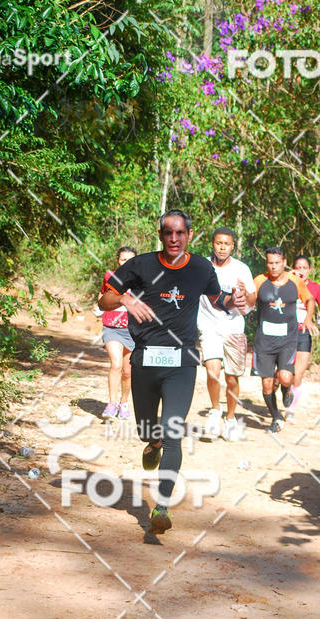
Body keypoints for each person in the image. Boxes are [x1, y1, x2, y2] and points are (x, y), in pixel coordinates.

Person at [98, 209, 245, 533]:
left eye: (180, 233)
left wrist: (233, 301)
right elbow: (104, 300)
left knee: (173, 431)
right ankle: (152, 444)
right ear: (161, 235)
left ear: (189, 235)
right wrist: (125, 300)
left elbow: (217, 299)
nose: (174, 239)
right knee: (148, 430)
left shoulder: (201, 267)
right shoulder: (141, 265)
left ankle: (161, 506)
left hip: (182, 361)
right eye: (168, 233)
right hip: (145, 359)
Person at [247, 247, 316, 433]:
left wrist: (308, 320)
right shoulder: (259, 281)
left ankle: (287, 390)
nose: (273, 267)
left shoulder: (295, 281)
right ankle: (276, 417)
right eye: (270, 263)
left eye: (277, 263)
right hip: (264, 341)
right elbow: (250, 303)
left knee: (285, 377)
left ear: (284, 262)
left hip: (288, 340)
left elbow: (310, 300)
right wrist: (244, 294)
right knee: (267, 383)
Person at [197, 227, 256, 441]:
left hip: (234, 328)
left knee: (232, 377)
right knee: (212, 370)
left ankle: (230, 418)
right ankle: (215, 411)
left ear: (233, 246)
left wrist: (245, 293)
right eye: (218, 243)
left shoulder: (241, 269)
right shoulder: (202, 266)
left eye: (227, 244)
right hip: (208, 325)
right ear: (212, 244)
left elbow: (252, 301)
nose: (222, 247)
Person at [96, 246, 137, 420]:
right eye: (123, 259)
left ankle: (124, 403)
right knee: (116, 365)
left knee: (127, 371)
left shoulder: (141, 280)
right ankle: (112, 404)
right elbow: (102, 295)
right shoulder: (110, 277)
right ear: (117, 261)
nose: (126, 263)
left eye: (130, 260)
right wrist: (99, 308)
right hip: (111, 327)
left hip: (132, 329)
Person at [289, 254, 320, 418]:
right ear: (293, 269)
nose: (301, 271)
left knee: (298, 374)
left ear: (310, 270)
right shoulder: (287, 283)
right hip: (284, 332)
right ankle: (285, 392)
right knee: (283, 374)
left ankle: (290, 409)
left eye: (304, 268)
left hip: (303, 332)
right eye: (298, 268)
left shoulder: (315, 288)